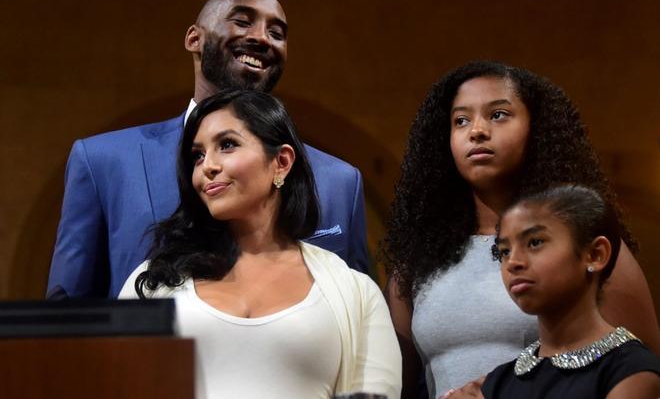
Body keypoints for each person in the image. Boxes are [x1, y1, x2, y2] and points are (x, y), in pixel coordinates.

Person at [48, 0, 369, 299]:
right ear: (194, 39)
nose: (260, 37)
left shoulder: (339, 181)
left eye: (277, 33)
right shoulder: (102, 160)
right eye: (242, 21)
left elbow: (356, 310)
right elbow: (69, 313)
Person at [381, 61, 660, 399]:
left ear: (537, 128)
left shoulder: (584, 245)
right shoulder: (418, 256)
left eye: (498, 115)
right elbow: (400, 383)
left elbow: (640, 369)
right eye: (461, 120)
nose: (478, 130)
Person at [119, 89, 402, 399]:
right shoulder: (151, 282)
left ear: (281, 162)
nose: (206, 167)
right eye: (197, 155)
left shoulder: (356, 293)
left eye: (227, 145)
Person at [448, 185, 660, 398]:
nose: (512, 262)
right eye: (504, 251)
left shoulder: (631, 370)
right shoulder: (499, 381)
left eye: (535, 242)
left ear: (595, 254)